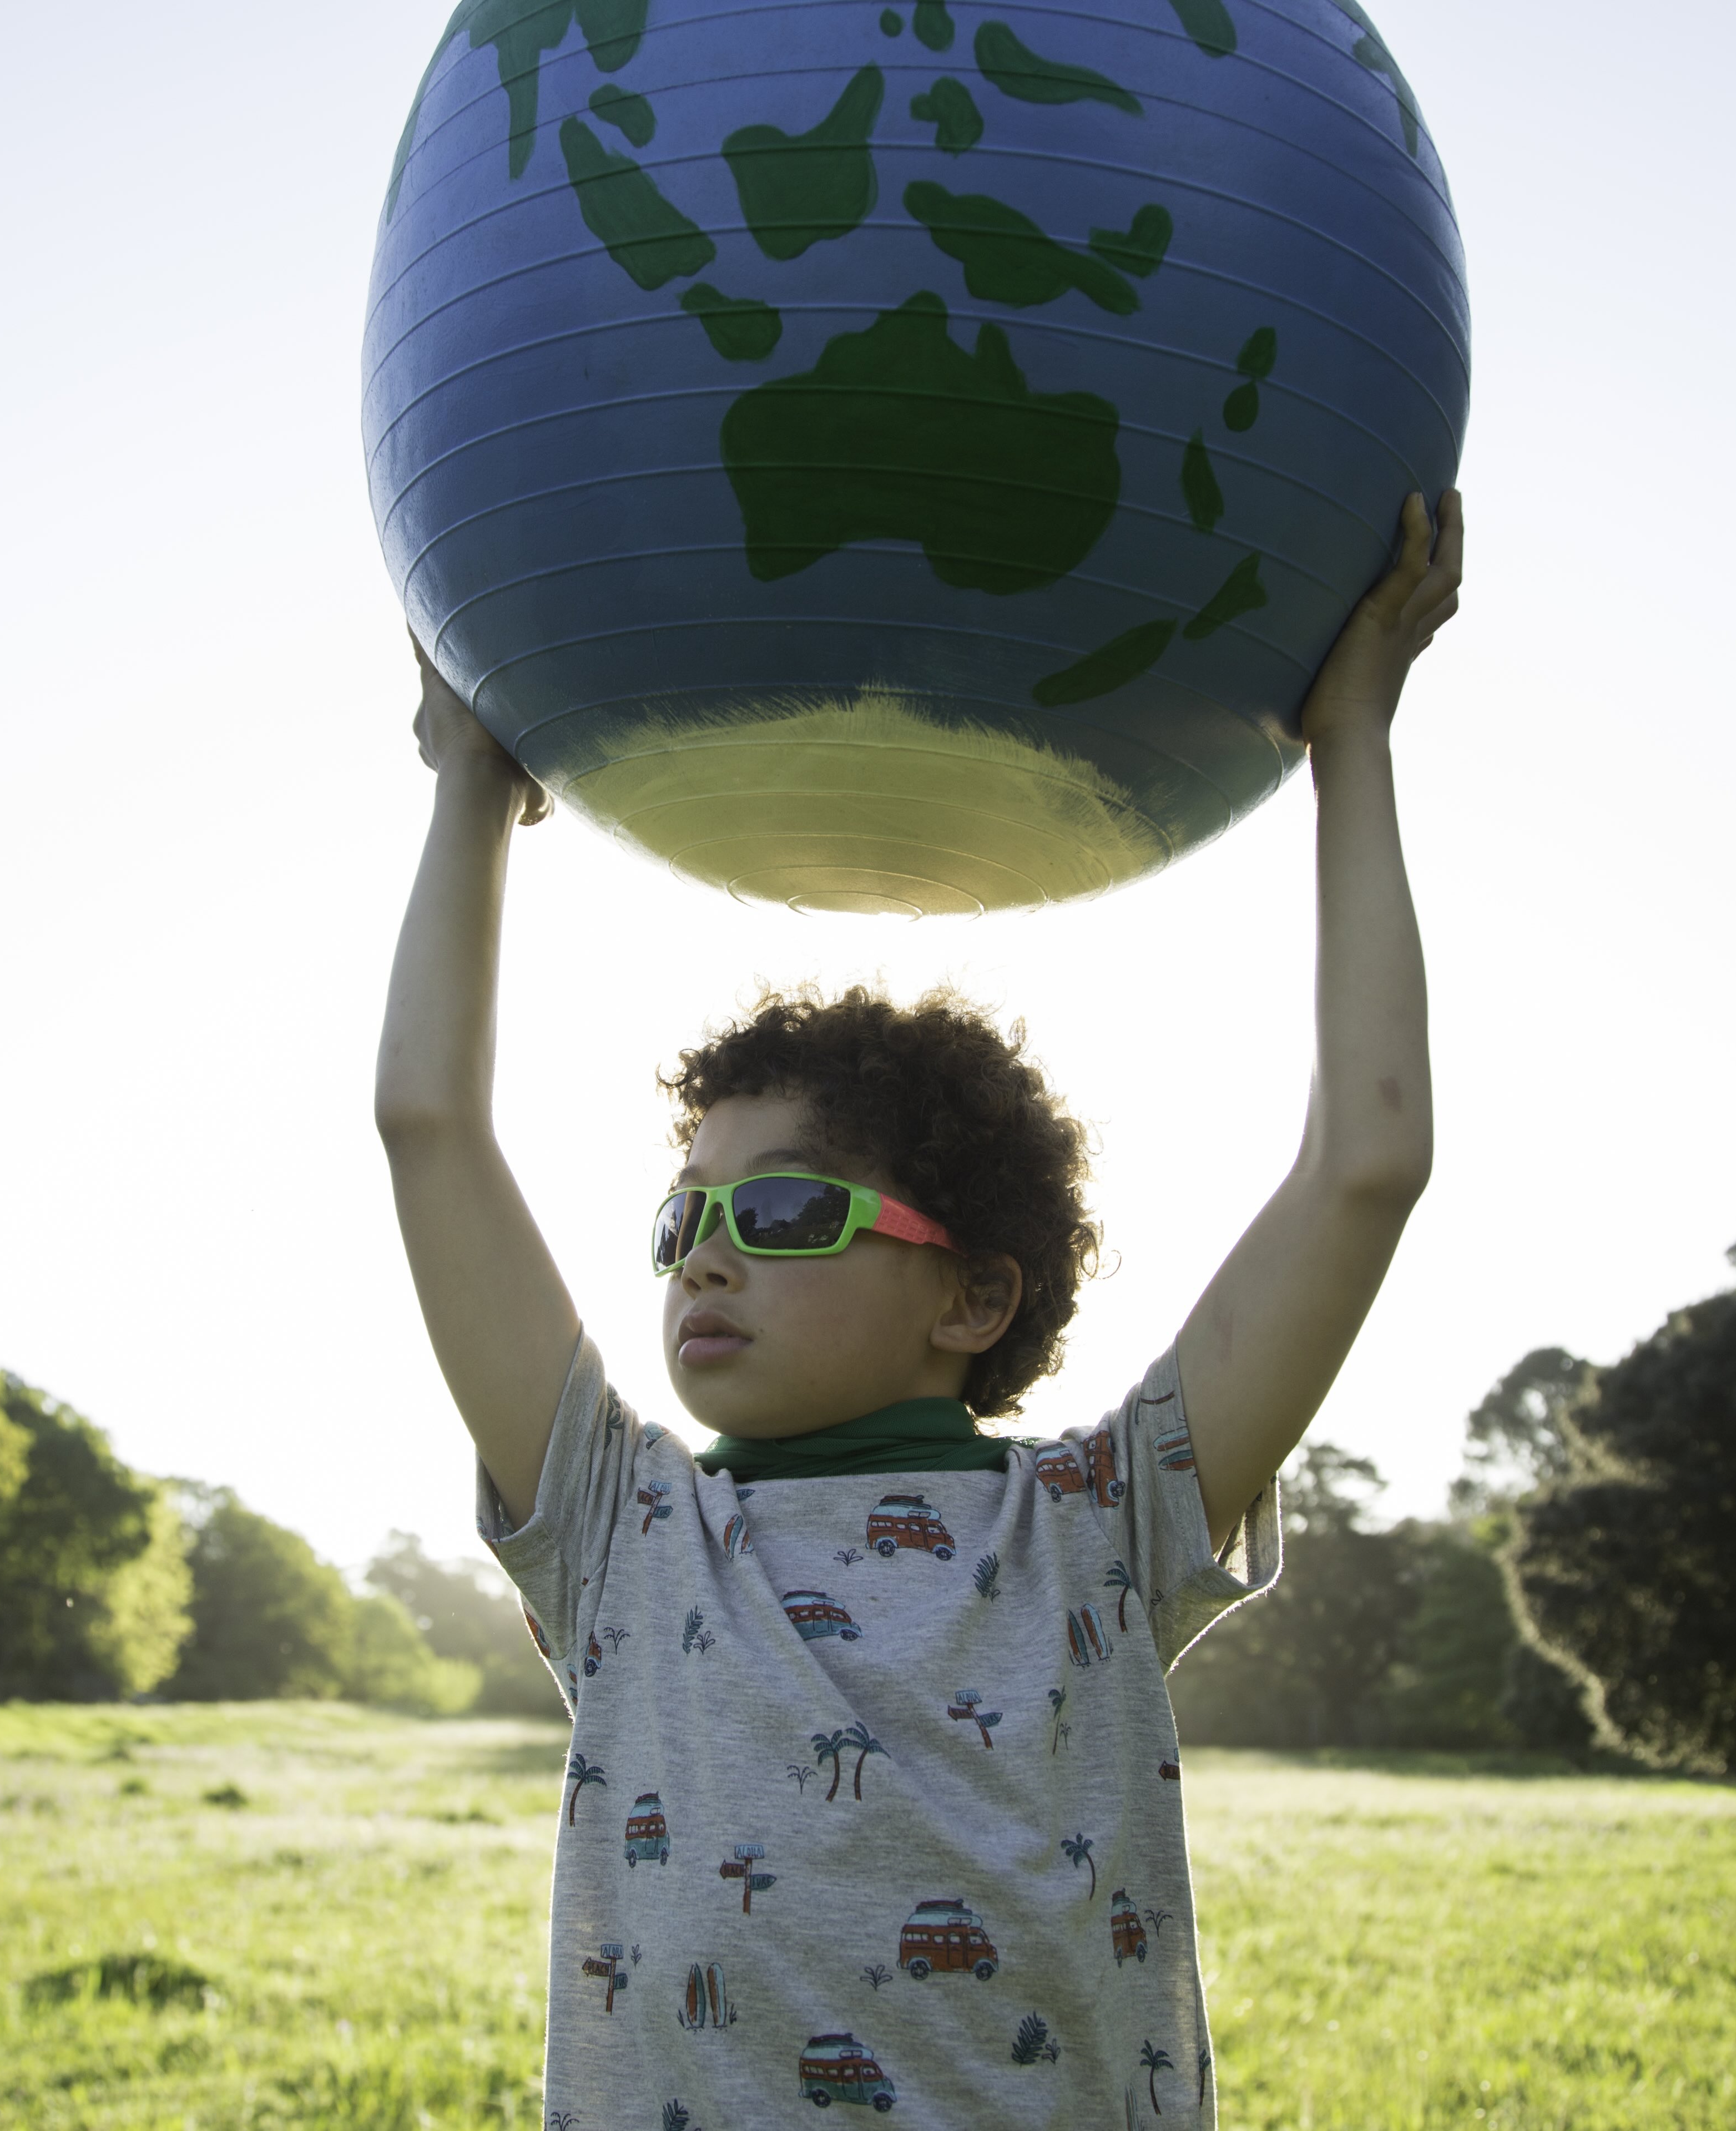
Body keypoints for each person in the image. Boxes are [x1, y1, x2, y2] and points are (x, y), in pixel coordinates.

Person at [375, 492, 1462, 2125]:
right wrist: (468, 788)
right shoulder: (617, 1529)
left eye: (787, 1209)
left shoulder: (1103, 1528)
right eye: (685, 1218)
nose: (704, 1258)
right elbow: (430, 1127)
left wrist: (1352, 742)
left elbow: (1367, 1160)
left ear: (972, 1294)